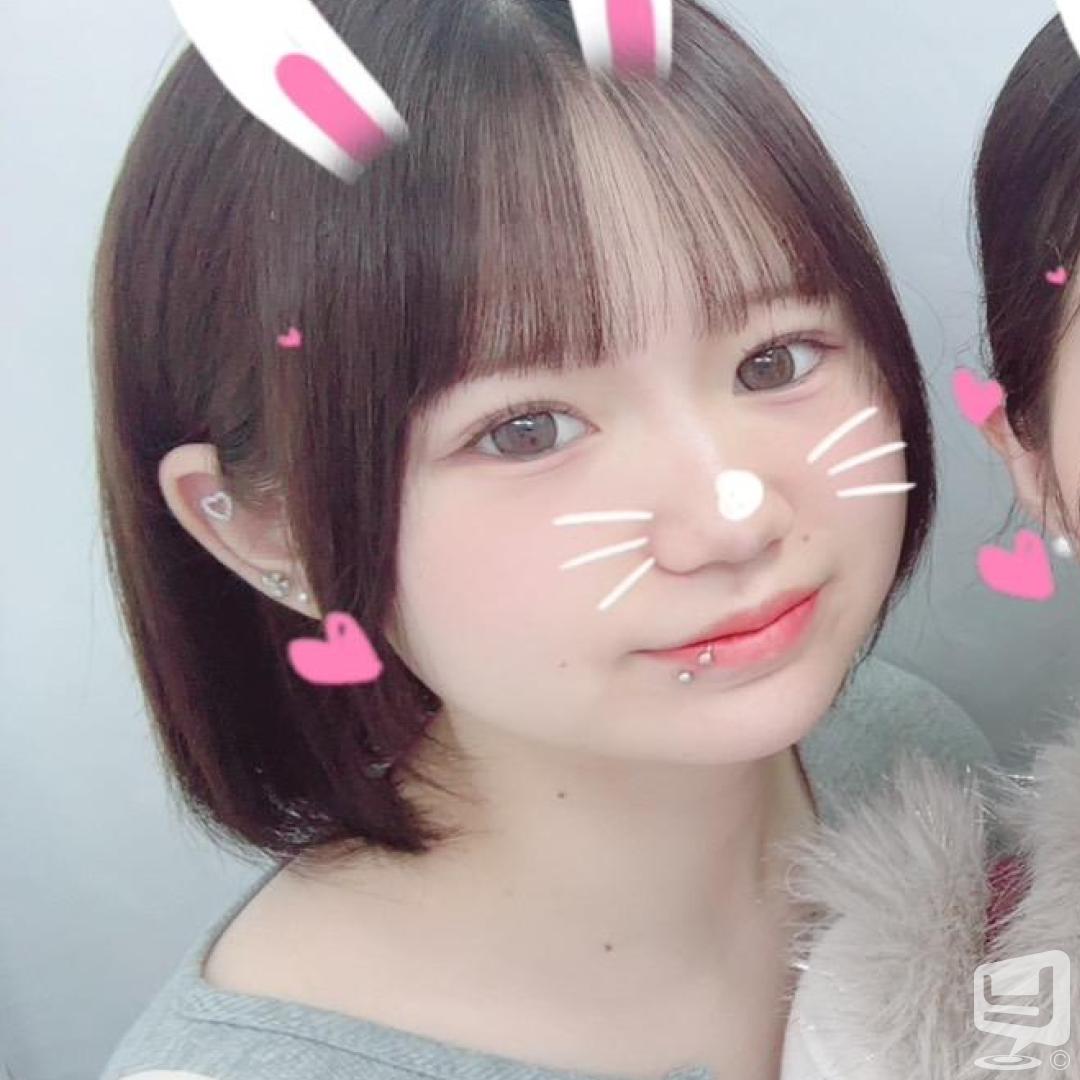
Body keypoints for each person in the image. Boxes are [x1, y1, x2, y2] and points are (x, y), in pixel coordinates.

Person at [93, 2, 996, 1078]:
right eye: (525, 431)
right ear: (262, 528)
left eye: (775, 361)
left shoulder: (904, 758)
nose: (733, 518)